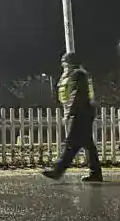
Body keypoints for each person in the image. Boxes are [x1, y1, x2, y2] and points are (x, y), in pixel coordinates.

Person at [42, 52, 103, 182]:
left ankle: (58, 171)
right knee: (87, 145)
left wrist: (69, 112)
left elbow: (77, 95)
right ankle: (95, 173)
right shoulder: (77, 74)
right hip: (84, 112)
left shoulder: (78, 75)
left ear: (70, 63)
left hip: (81, 112)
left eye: (65, 63)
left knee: (71, 143)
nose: (64, 66)